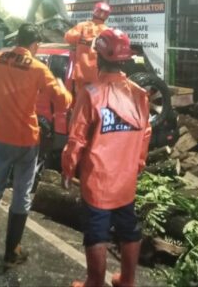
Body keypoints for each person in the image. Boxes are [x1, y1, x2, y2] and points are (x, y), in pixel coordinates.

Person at [0, 24, 72, 267]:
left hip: (1, 135)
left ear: (18, 40)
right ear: (35, 45)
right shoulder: (38, 68)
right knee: (22, 193)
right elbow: (62, 101)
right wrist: (62, 85)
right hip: (26, 138)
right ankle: (11, 251)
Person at [62, 28, 152, 287]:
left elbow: (76, 139)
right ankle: (127, 280)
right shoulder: (139, 93)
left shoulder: (90, 93)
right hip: (126, 182)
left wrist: (68, 171)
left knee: (96, 233)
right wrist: (138, 163)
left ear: (98, 57)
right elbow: (145, 133)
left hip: (98, 182)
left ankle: (95, 282)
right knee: (128, 229)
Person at [64, 2, 111, 97]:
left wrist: (81, 37)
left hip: (80, 74)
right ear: (106, 16)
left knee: (81, 101)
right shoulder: (108, 32)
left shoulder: (82, 26)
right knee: (94, 102)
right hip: (97, 77)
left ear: (94, 11)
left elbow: (67, 38)